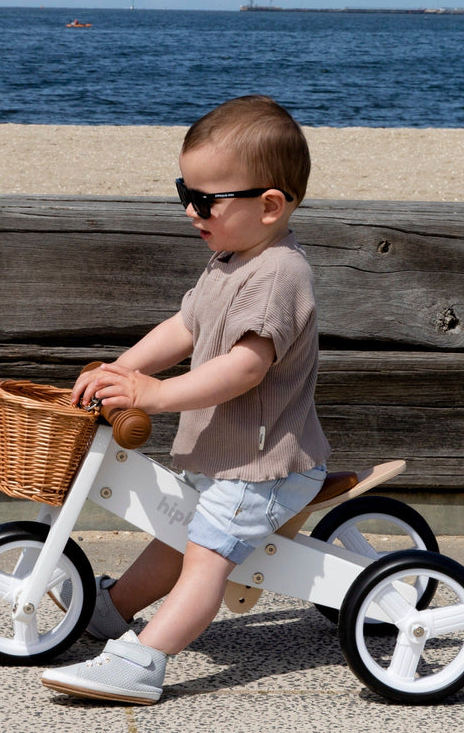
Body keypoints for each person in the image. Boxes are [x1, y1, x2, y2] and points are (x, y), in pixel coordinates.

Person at [41, 94, 331, 705]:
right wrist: (123, 368)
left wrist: (155, 393)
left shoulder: (280, 273)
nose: (191, 212)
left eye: (206, 200)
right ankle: (111, 608)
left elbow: (245, 368)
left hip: (264, 469)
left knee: (203, 559)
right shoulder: (228, 259)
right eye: (185, 194)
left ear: (270, 205)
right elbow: (186, 327)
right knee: (174, 535)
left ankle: (143, 661)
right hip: (225, 461)